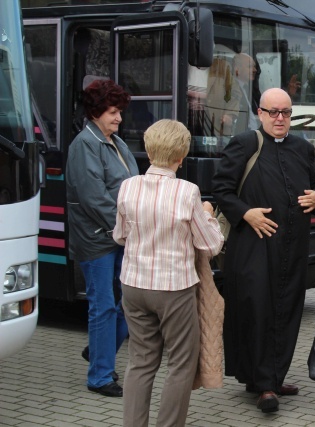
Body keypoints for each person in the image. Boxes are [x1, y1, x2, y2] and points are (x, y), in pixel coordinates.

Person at [212, 87, 315, 413]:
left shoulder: (303, 148)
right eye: (273, 112)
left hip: (293, 249)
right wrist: (245, 213)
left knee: (288, 311)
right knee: (258, 311)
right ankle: (263, 384)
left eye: (286, 113)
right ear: (260, 113)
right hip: (254, 248)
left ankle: (272, 377)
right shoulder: (245, 144)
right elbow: (220, 188)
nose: (280, 118)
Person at [113, 119, 224, 427]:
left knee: (141, 362)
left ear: (149, 151)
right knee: (180, 364)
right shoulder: (187, 192)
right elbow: (210, 244)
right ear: (181, 156)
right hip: (174, 287)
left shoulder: (128, 186)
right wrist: (208, 215)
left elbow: (119, 236)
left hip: (133, 284)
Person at [66, 79, 139, 397]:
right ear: (96, 112)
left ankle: (99, 350)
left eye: (120, 112)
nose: (119, 118)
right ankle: (99, 376)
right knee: (104, 306)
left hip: (119, 237)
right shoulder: (85, 144)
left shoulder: (116, 143)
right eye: (113, 112)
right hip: (98, 240)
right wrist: (131, 229)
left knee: (129, 304)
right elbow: (94, 199)